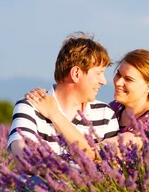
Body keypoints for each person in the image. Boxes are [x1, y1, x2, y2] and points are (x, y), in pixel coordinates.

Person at [25, 49, 149, 160]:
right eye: (118, 74)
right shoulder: (113, 109)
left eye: (128, 79)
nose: (118, 82)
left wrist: (54, 113)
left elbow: (97, 152)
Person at [6, 32, 119, 162]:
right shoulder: (30, 106)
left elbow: (109, 165)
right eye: (99, 73)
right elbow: (25, 160)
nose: (103, 81)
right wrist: (78, 168)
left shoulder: (105, 113)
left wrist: (55, 115)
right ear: (76, 73)